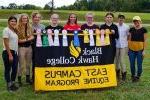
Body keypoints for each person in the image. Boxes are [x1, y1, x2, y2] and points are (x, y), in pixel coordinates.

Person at [128, 16, 147, 82]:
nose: (136, 22)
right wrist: (128, 49)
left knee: (139, 65)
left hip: (140, 50)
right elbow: (129, 40)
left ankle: (138, 76)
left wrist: (144, 50)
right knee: (132, 64)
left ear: (140, 21)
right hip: (131, 49)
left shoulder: (144, 29)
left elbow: (144, 41)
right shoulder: (131, 29)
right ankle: (133, 75)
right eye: (134, 21)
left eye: (137, 21)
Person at [2, 16, 19, 91]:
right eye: (12, 21)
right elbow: (6, 43)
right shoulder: (6, 30)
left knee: (15, 68)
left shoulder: (14, 30)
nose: (13, 22)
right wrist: (10, 54)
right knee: (8, 69)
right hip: (8, 52)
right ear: (8, 21)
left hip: (15, 52)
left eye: (15, 21)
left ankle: (12, 83)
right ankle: (9, 85)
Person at [17, 14, 34, 86]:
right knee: (21, 65)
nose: (25, 20)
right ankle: (19, 80)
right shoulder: (17, 27)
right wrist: (27, 39)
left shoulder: (30, 27)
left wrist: (28, 39)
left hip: (29, 47)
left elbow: (33, 36)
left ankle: (27, 79)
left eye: (26, 18)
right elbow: (19, 41)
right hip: (21, 48)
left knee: (28, 64)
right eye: (23, 18)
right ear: (21, 19)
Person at [31, 11, 45, 83]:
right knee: (33, 62)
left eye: (39, 17)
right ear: (33, 18)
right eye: (36, 17)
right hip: (31, 46)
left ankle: (38, 77)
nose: (37, 18)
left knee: (38, 61)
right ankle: (33, 78)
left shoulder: (43, 26)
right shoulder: (29, 26)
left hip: (40, 47)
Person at [115, 14, 129, 81]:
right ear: (118, 19)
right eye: (120, 18)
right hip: (116, 45)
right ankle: (117, 74)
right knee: (116, 60)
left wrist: (127, 45)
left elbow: (128, 36)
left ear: (124, 19)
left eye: (122, 18)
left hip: (123, 46)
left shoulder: (127, 27)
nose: (121, 19)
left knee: (122, 60)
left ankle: (124, 74)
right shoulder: (115, 26)